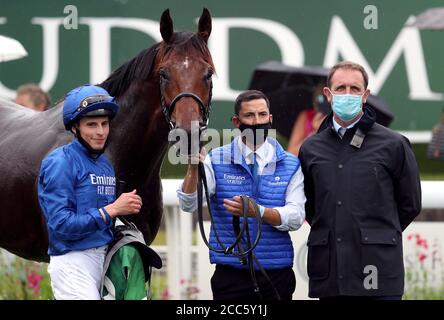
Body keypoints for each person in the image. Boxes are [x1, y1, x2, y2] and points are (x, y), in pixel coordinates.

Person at [298, 61, 422, 300]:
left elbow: (410, 205)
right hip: (330, 275)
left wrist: (376, 234)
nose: (347, 94)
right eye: (341, 88)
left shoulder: (394, 144)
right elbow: (310, 206)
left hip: (379, 274)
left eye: (354, 89)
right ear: (328, 94)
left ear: (366, 95)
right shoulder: (311, 148)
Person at [176, 90, 306, 300]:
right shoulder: (215, 159)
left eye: (262, 115)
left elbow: (296, 217)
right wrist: (193, 169)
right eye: (250, 116)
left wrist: (259, 212)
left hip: (276, 275)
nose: (257, 121)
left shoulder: (290, 164)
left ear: (270, 119)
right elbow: (189, 204)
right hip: (230, 275)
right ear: (236, 121)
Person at [37, 84, 143, 300]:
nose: (100, 132)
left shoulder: (105, 164)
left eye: (104, 124)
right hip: (72, 263)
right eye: (92, 124)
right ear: (75, 127)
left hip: (102, 259)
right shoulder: (60, 162)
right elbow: (61, 225)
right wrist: (112, 210)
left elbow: (103, 217)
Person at [287, 83, 330, 156]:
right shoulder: (306, 116)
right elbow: (291, 153)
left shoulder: (345, 119)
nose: (324, 102)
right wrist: (316, 132)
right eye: (321, 97)